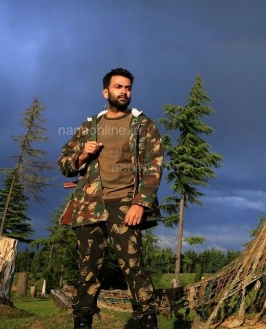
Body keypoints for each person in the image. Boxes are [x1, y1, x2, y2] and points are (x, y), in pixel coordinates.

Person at [58, 68, 163, 329]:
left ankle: (147, 322)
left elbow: (154, 166)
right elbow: (63, 163)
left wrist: (141, 202)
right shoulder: (89, 127)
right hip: (90, 207)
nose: (124, 92)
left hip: (126, 205)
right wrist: (81, 156)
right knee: (87, 272)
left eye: (128, 87)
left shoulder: (143, 125)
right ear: (106, 92)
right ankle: (82, 323)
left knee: (134, 268)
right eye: (118, 87)